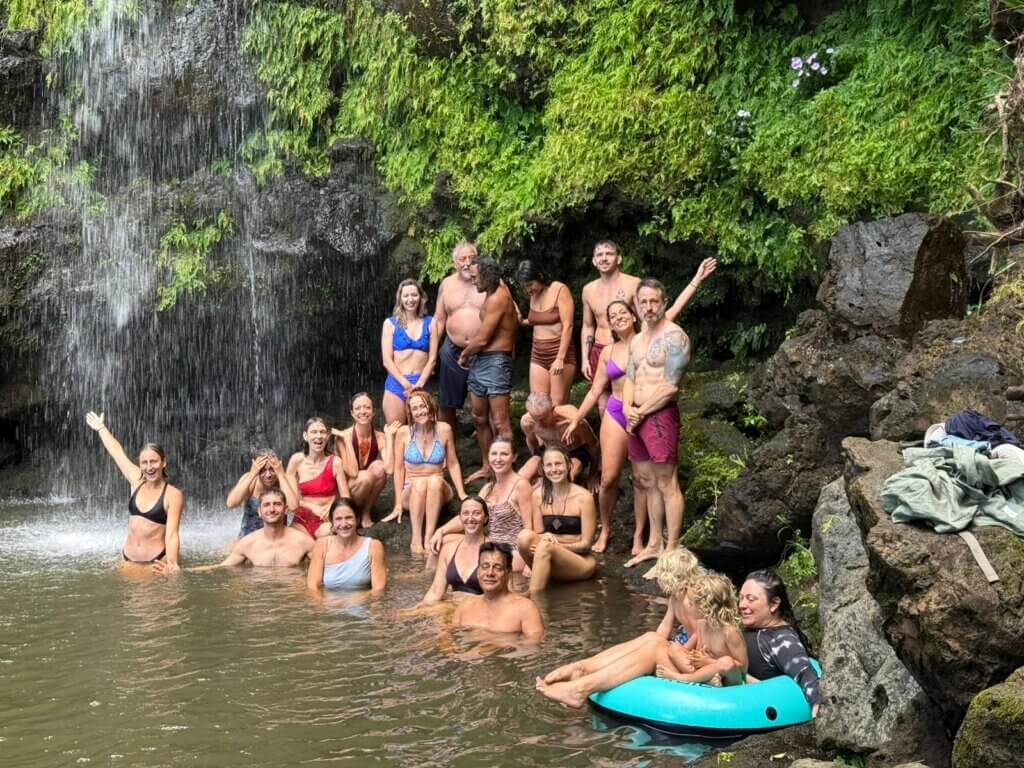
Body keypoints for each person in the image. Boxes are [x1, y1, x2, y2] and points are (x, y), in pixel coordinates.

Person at [536, 569, 747, 707]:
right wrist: (680, 651)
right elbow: (693, 650)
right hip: (701, 670)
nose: (688, 606)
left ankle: (581, 689)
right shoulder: (703, 624)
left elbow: (741, 669)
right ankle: (583, 668)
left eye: (692, 603)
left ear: (707, 605)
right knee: (652, 638)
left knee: (654, 650)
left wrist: (707, 663)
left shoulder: (730, 631)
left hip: (721, 681)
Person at [539, 548, 705, 685]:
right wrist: (655, 641)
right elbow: (665, 626)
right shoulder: (676, 597)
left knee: (653, 645)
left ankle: (587, 676)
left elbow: (701, 637)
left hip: (690, 655)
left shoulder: (690, 602)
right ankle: (585, 667)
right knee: (651, 637)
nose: (658, 579)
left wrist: (667, 650)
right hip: (681, 648)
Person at [561, 300, 642, 553]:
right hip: (616, 410)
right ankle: (605, 529)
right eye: (613, 316)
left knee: (641, 479)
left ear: (634, 316)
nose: (618, 318)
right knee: (608, 478)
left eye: (623, 313)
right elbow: (596, 390)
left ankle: (639, 537)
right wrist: (576, 419)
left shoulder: (649, 343)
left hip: (645, 413)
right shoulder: (608, 351)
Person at [623, 278, 690, 568]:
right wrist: (627, 408)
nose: (649, 307)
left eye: (654, 301)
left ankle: (671, 549)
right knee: (646, 481)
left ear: (664, 303)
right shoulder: (636, 339)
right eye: (643, 302)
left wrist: (641, 411)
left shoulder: (675, 337)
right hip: (636, 415)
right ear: (636, 306)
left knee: (666, 482)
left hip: (659, 415)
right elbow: (630, 376)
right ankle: (653, 544)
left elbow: (671, 386)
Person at [86, 411, 184, 572]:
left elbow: (172, 534)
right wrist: (101, 428)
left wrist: (172, 563)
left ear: (163, 462)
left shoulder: (173, 495)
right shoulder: (137, 480)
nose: (149, 467)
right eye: (144, 462)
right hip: (126, 559)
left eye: (153, 461)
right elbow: (117, 453)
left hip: (155, 563)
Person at [429, 436, 533, 572]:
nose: (498, 459)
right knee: (442, 540)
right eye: (494, 454)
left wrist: (530, 562)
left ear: (514, 457)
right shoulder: (488, 488)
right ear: (488, 456)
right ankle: (430, 580)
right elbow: (469, 515)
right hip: (490, 544)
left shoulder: (521, 485)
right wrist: (440, 530)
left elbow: (529, 527)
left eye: (504, 454)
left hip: (512, 551)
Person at [457, 256, 518, 482]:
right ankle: (486, 466)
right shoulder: (495, 290)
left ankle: (507, 473)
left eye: (475, 277)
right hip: (480, 361)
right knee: (479, 417)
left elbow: (482, 340)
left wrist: (464, 354)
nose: (473, 282)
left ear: (488, 274)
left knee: (500, 421)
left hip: (495, 361)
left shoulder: (498, 298)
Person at [385, 389, 468, 553]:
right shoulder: (403, 433)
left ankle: (429, 538)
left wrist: (462, 493)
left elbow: (452, 463)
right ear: (410, 412)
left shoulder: (444, 429)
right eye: (415, 408)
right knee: (421, 482)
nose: (419, 411)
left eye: (422, 406)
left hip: (439, 486)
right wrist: (398, 503)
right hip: (412, 489)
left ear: (430, 407)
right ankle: (416, 540)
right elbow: (398, 469)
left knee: (433, 480)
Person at [516, 445, 597, 592]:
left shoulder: (584, 498)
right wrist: (544, 536)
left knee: (545, 546)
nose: (554, 469)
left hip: (579, 560)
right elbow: (538, 534)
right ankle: (541, 575)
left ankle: (532, 597)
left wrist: (555, 547)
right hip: (547, 555)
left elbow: (586, 545)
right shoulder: (537, 496)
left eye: (558, 464)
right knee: (524, 536)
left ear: (569, 465)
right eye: (549, 465)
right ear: (543, 470)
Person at [740, 569, 820, 716]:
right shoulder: (753, 630)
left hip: (759, 712)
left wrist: (817, 701)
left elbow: (804, 671)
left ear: (774, 604)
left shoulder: (781, 638)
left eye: (750, 599)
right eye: (741, 598)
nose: (742, 605)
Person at [180, 488, 314, 571]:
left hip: (291, 599)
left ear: (285, 510)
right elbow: (220, 567)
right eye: (266, 505)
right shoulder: (247, 544)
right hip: (259, 601)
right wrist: (181, 571)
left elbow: (327, 565)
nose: (272, 509)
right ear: (259, 512)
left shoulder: (303, 542)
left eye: (277, 504)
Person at [579, 241, 641, 412]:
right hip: (599, 349)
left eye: (609, 254)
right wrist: (585, 357)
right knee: (602, 403)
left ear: (618, 258)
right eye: (599, 255)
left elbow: (643, 319)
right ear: (594, 260)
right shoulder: (588, 290)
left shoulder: (633, 284)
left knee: (632, 398)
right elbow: (587, 325)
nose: (604, 258)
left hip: (626, 348)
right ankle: (608, 438)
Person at [434, 241, 486, 432]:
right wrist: (431, 355)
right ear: (454, 263)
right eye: (462, 259)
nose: (467, 263)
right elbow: (438, 321)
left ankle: (490, 459)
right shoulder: (446, 284)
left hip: (482, 350)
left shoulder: (488, 281)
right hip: (452, 349)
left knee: (482, 408)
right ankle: (447, 456)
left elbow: (507, 313)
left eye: (471, 258)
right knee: (446, 404)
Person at [452, 543, 545, 644]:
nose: (490, 573)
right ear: (478, 571)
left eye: (497, 567)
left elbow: (534, 643)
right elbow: (450, 637)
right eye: (485, 566)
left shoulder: (525, 608)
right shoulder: (465, 605)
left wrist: (490, 648)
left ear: (508, 572)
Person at [381, 278, 440, 425]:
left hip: (421, 383)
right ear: (400, 299)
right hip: (397, 384)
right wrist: (407, 385)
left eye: (414, 295)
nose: (410, 299)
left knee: (425, 433)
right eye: (406, 296)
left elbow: (432, 358)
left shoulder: (431, 323)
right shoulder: (390, 324)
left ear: (421, 297)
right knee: (396, 432)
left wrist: (419, 384)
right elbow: (387, 361)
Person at [517, 260, 576, 405]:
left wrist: (560, 358)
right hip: (538, 353)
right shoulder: (533, 295)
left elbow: (568, 325)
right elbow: (538, 321)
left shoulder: (559, 289)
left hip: (559, 352)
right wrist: (520, 321)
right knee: (538, 403)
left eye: (530, 285)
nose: (528, 290)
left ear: (540, 276)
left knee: (557, 405)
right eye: (524, 287)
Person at [519, 391, 599, 491]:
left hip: (574, 452)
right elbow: (533, 444)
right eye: (535, 419)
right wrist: (540, 467)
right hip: (547, 449)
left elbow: (593, 444)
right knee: (522, 476)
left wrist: (593, 474)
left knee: (567, 475)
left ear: (553, 409)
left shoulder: (573, 419)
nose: (539, 423)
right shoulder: (527, 422)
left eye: (543, 419)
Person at [287, 417, 351, 540]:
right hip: (302, 518)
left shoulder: (335, 462)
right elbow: (289, 496)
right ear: (305, 436)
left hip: (326, 518)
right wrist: (312, 507)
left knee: (327, 538)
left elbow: (345, 498)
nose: (319, 436)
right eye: (314, 432)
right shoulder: (296, 460)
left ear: (327, 436)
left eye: (322, 432)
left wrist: (334, 509)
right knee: (294, 545)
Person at [332, 393, 389, 528]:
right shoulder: (342, 436)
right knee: (364, 477)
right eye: (358, 408)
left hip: (364, 486)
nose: (363, 412)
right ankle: (351, 514)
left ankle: (365, 512)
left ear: (373, 412)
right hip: (344, 490)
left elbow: (389, 468)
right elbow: (351, 471)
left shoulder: (380, 437)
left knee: (380, 467)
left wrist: (390, 438)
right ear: (352, 413)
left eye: (367, 408)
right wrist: (346, 440)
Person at [420, 496, 490, 604]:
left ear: (485, 518)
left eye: (476, 513)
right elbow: (435, 591)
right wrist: (420, 609)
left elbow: (504, 596)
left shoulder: (494, 551)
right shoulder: (449, 549)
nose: (470, 518)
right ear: (460, 517)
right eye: (466, 513)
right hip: (452, 607)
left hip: (481, 611)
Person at [307, 498, 386, 591]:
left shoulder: (373, 546)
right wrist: (324, 604)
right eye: (338, 519)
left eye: (349, 518)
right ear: (332, 522)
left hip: (362, 604)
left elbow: (378, 591)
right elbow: (313, 588)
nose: (343, 524)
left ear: (357, 519)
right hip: (329, 604)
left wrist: (348, 600)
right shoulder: (322, 545)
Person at [225, 451, 299, 537]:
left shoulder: (288, 479)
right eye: (262, 470)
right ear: (256, 468)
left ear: (278, 466)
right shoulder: (250, 479)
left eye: (272, 469)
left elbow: (293, 507)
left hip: (278, 538)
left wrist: (280, 475)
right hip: (249, 536)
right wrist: (252, 473)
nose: (268, 475)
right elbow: (230, 504)